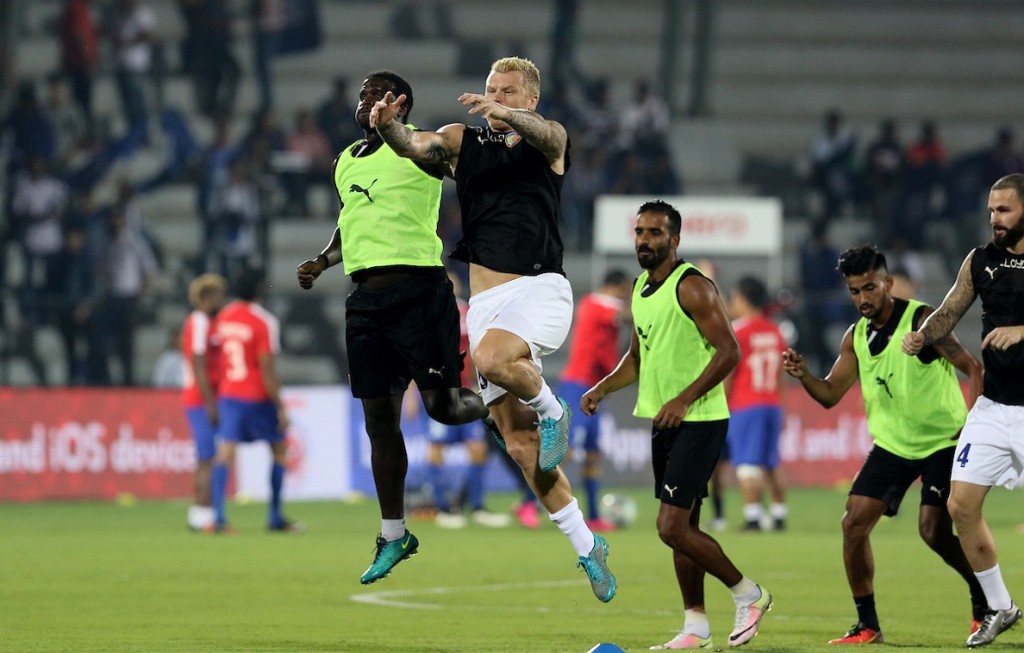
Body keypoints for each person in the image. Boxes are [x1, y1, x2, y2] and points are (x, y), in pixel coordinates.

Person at [371, 56, 616, 603]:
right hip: (485, 305)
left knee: (490, 360)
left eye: (507, 91)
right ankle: (587, 546)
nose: (495, 98)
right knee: (521, 447)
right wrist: (387, 124)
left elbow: (549, 133)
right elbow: (415, 148)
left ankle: (556, 411)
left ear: (530, 98)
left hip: (538, 290)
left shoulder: (548, 141)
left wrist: (505, 112)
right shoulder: (464, 141)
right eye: (489, 89)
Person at [296, 71, 490, 584]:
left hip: (419, 292)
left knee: (443, 409)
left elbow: (463, 170)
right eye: (360, 92)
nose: (364, 99)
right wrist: (323, 259)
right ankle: (393, 533)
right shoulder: (343, 161)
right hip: (365, 304)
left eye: (376, 92)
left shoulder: (423, 148)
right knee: (379, 424)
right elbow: (352, 216)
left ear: (400, 104)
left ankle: (499, 397)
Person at [581, 200, 772, 648]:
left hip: (700, 420)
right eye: (640, 232)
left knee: (670, 527)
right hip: (665, 420)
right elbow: (635, 359)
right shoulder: (640, 288)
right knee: (683, 531)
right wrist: (603, 388)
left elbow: (730, 351)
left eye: (655, 233)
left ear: (675, 239)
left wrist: (685, 400)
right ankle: (696, 627)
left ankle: (751, 595)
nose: (645, 240)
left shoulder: (693, 287)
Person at [783, 244, 986, 645]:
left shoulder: (923, 321)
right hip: (893, 445)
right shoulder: (855, 337)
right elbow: (828, 396)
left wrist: (974, 428)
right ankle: (868, 625)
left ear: (888, 283)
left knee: (933, 531)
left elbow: (973, 367)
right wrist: (805, 375)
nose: (862, 298)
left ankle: (984, 599)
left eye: (870, 288)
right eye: (855, 291)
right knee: (853, 524)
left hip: (942, 442)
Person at [902, 173, 1024, 647]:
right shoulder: (981, 261)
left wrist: (1021, 330)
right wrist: (923, 334)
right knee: (960, 506)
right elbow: (951, 309)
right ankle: (1000, 606)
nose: (994, 219)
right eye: (992, 210)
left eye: (1005, 210)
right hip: (993, 408)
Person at [209, 267, 300, 533]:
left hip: (229, 394)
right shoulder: (264, 322)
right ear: (260, 289)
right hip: (257, 396)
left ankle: (218, 518)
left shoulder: (223, 317)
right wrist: (281, 406)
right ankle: (274, 516)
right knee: (278, 450)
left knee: (225, 452)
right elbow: (267, 369)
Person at [428, 272, 511, 529]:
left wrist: (482, 383)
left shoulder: (469, 311)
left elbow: (478, 350)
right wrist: (412, 394)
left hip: (468, 391)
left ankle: (476, 506)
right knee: (437, 450)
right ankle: (442, 508)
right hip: (439, 391)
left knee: (477, 449)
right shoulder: (428, 314)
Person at [559, 268, 633, 532]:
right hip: (576, 385)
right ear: (619, 287)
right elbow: (624, 316)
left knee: (592, 454)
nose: (626, 298)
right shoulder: (594, 303)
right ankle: (529, 503)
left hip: (593, 388)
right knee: (565, 451)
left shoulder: (603, 307)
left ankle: (592, 515)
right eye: (626, 292)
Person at [725, 276, 788, 532]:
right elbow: (782, 373)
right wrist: (780, 404)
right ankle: (779, 514)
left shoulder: (739, 331)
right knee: (771, 462)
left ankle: (753, 518)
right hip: (772, 403)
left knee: (747, 464)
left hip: (746, 403)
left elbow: (728, 371)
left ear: (741, 299)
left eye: (734, 298)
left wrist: (723, 403)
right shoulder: (775, 331)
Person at [180, 273, 226, 531]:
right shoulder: (199, 321)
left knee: (207, 456)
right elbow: (198, 362)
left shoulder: (206, 322)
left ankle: (200, 513)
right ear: (207, 296)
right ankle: (203, 513)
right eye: (218, 294)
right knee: (206, 457)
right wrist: (210, 402)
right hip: (200, 398)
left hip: (204, 397)